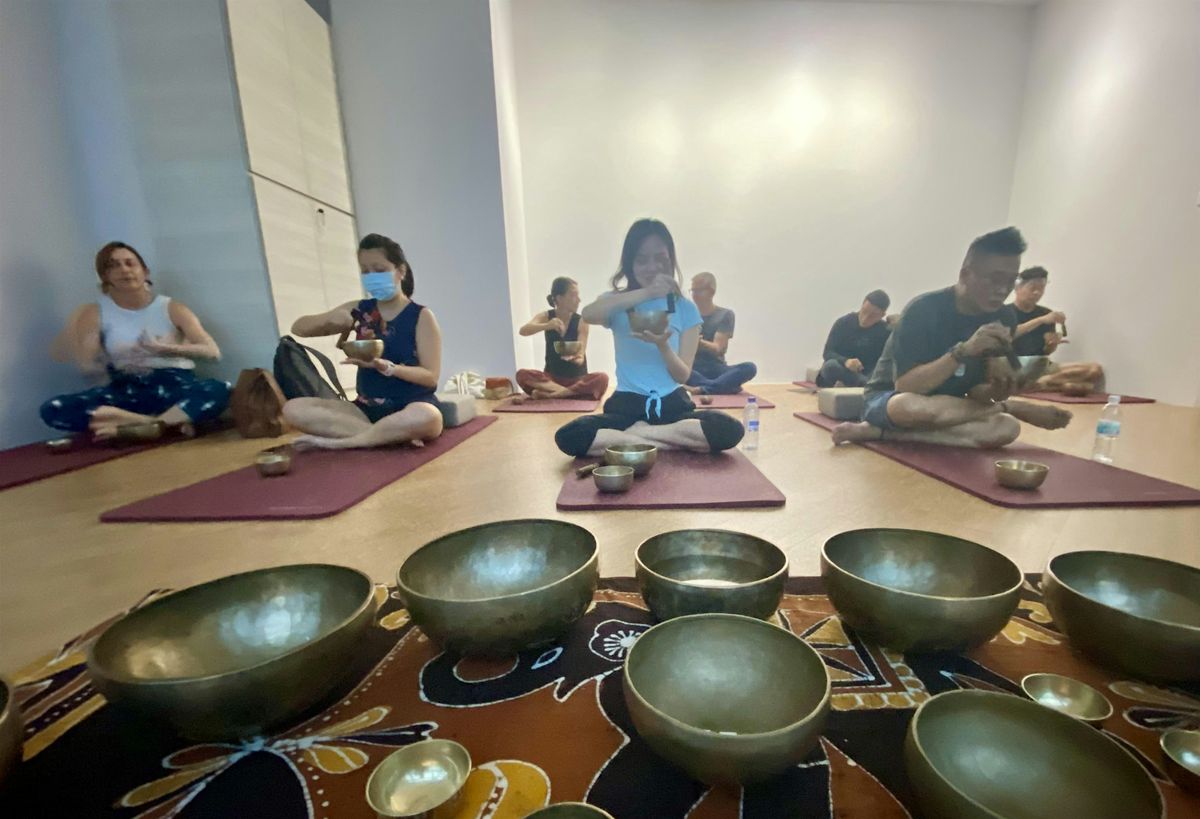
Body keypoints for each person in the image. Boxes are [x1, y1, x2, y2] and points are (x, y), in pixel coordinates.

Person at [832, 227, 1072, 448]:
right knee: (908, 405)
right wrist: (964, 351)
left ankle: (882, 434)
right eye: (994, 279)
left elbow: (978, 392)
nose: (1002, 290)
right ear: (966, 274)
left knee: (1007, 428)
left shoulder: (1004, 317)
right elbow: (907, 386)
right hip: (890, 400)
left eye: (1010, 281)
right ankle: (1009, 409)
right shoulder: (923, 309)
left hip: (952, 407)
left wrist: (1001, 388)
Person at [554, 219, 744, 457]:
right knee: (569, 436)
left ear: (670, 261)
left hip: (672, 405)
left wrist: (664, 347)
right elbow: (590, 314)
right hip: (626, 405)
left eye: (660, 259)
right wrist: (648, 293)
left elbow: (682, 375)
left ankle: (636, 439)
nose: (652, 267)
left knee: (729, 429)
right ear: (630, 262)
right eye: (642, 259)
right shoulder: (617, 301)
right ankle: (671, 440)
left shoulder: (685, 309)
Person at [41, 241, 229, 439]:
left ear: (145, 272)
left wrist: (165, 348)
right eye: (114, 265)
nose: (124, 270)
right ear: (105, 277)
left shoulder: (172, 307)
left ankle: (133, 425)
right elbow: (89, 367)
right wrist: (118, 358)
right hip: (128, 388)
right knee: (53, 409)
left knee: (218, 389)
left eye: (130, 263)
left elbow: (212, 352)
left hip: (174, 385)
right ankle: (155, 424)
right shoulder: (94, 313)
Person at [283, 233, 443, 449]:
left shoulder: (421, 316)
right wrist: (329, 320)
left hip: (410, 406)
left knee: (429, 417)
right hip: (363, 410)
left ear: (400, 271)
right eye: (365, 271)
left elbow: (430, 377)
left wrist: (387, 367)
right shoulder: (360, 309)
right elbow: (298, 328)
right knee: (292, 409)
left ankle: (340, 444)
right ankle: (387, 436)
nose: (372, 276)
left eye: (379, 270)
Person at [1006, 266, 1104, 394]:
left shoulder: (1046, 313)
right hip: (1014, 366)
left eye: (1041, 288)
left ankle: (1042, 384)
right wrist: (1040, 320)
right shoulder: (1004, 312)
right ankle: (1055, 384)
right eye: (1032, 287)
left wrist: (1052, 345)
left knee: (1095, 370)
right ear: (1017, 288)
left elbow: (1047, 351)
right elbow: (1009, 334)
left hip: (1041, 366)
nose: (1037, 292)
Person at [514, 277, 609, 401]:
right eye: (573, 295)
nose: (579, 300)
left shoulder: (582, 321)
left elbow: (580, 356)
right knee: (522, 374)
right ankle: (569, 394)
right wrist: (547, 325)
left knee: (602, 378)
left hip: (576, 380)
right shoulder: (546, 316)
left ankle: (553, 395)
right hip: (551, 379)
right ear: (559, 298)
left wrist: (577, 359)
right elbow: (523, 331)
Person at [683, 272, 758, 395]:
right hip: (693, 368)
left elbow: (719, 349)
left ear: (711, 292)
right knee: (675, 369)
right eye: (693, 291)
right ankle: (724, 386)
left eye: (699, 291)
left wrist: (698, 342)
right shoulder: (687, 315)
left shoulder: (725, 315)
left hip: (717, 367)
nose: (695, 296)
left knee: (750, 367)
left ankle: (705, 388)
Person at [816, 289, 892, 387]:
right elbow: (828, 352)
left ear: (882, 315)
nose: (865, 319)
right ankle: (859, 384)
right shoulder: (843, 323)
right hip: (842, 368)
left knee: (881, 376)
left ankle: (858, 384)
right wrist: (846, 361)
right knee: (830, 366)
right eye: (864, 312)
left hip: (866, 373)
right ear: (863, 304)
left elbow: (884, 360)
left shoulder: (885, 331)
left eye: (872, 316)